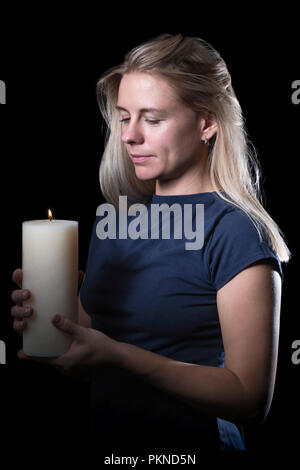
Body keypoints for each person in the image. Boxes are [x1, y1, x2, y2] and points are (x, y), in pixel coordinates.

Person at [11, 33, 290, 452]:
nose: (130, 135)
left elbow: (249, 399)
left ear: (207, 122)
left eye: (152, 119)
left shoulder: (234, 232)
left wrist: (120, 355)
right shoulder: (115, 224)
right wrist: (54, 322)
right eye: (125, 117)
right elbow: (89, 360)